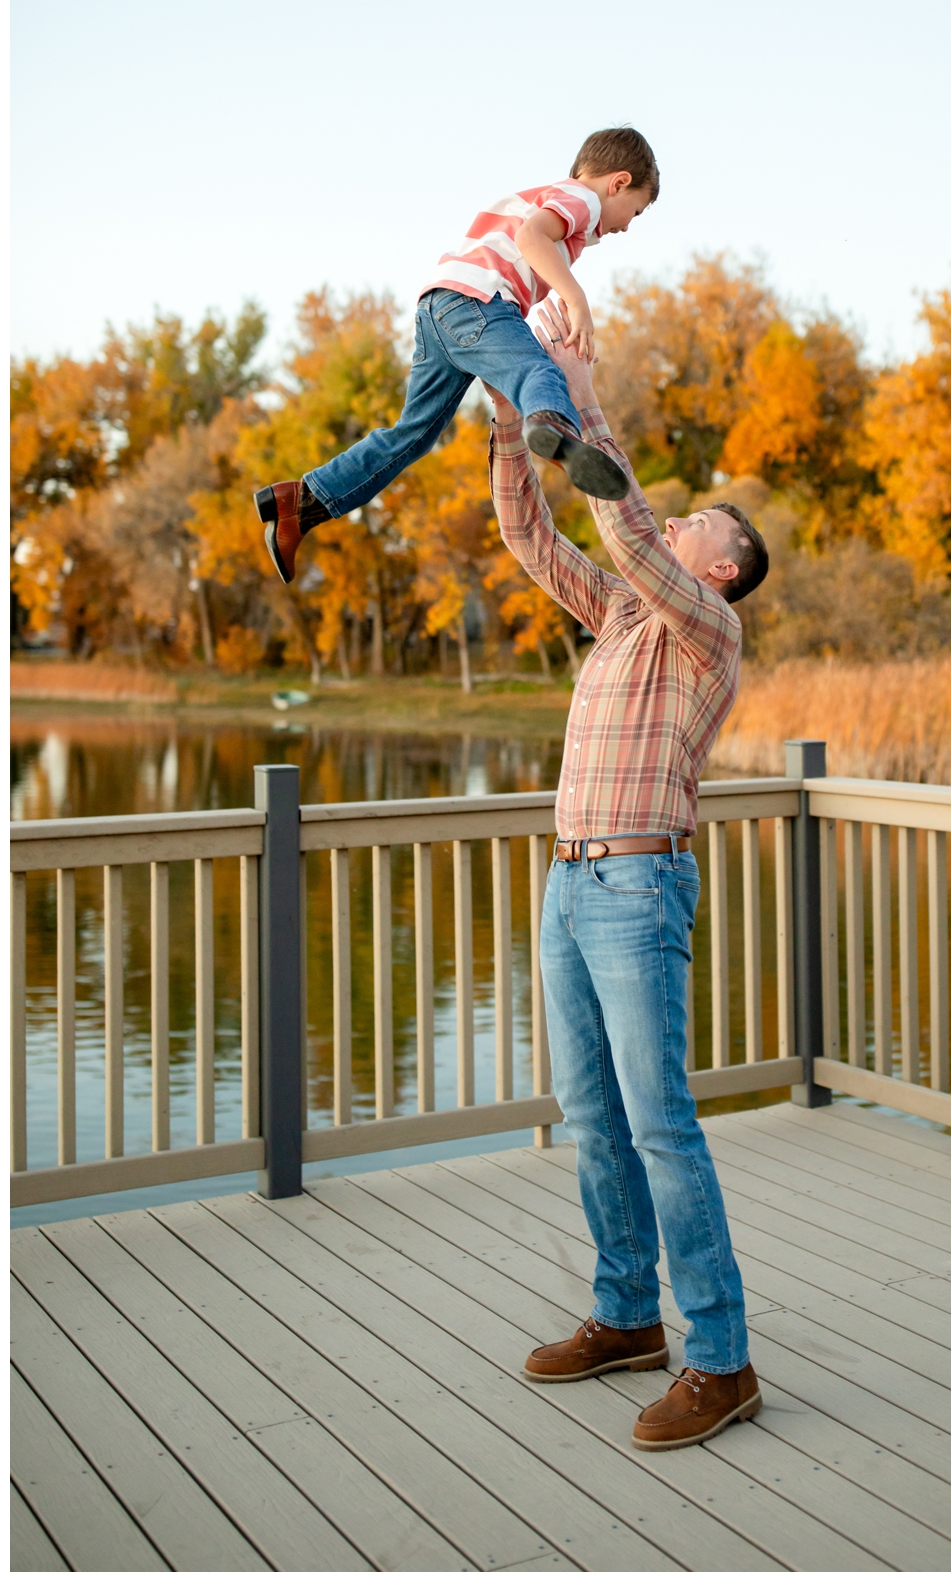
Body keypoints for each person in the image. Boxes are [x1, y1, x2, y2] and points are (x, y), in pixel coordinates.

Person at [490, 297, 772, 1453]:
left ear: (724, 563)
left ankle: (722, 1358)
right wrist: (515, 410)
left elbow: (627, 533)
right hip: (569, 886)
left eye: (704, 517)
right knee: (591, 1117)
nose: (688, 516)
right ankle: (624, 1317)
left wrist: (580, 387)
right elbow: (529, 538)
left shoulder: (706, 625)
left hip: (639, 890)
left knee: (662, 1126)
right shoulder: (618, 622)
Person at [256, 126, 657, 583]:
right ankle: (552, 425)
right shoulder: (581, 199)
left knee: (412, 435)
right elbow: (531, 239)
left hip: (439, 306)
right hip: (479, 303)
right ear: (618, 182)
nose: (627, 225)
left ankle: (299, 504)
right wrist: (577, 301)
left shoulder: (552, 197)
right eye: (636, 211)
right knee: (536, 370)